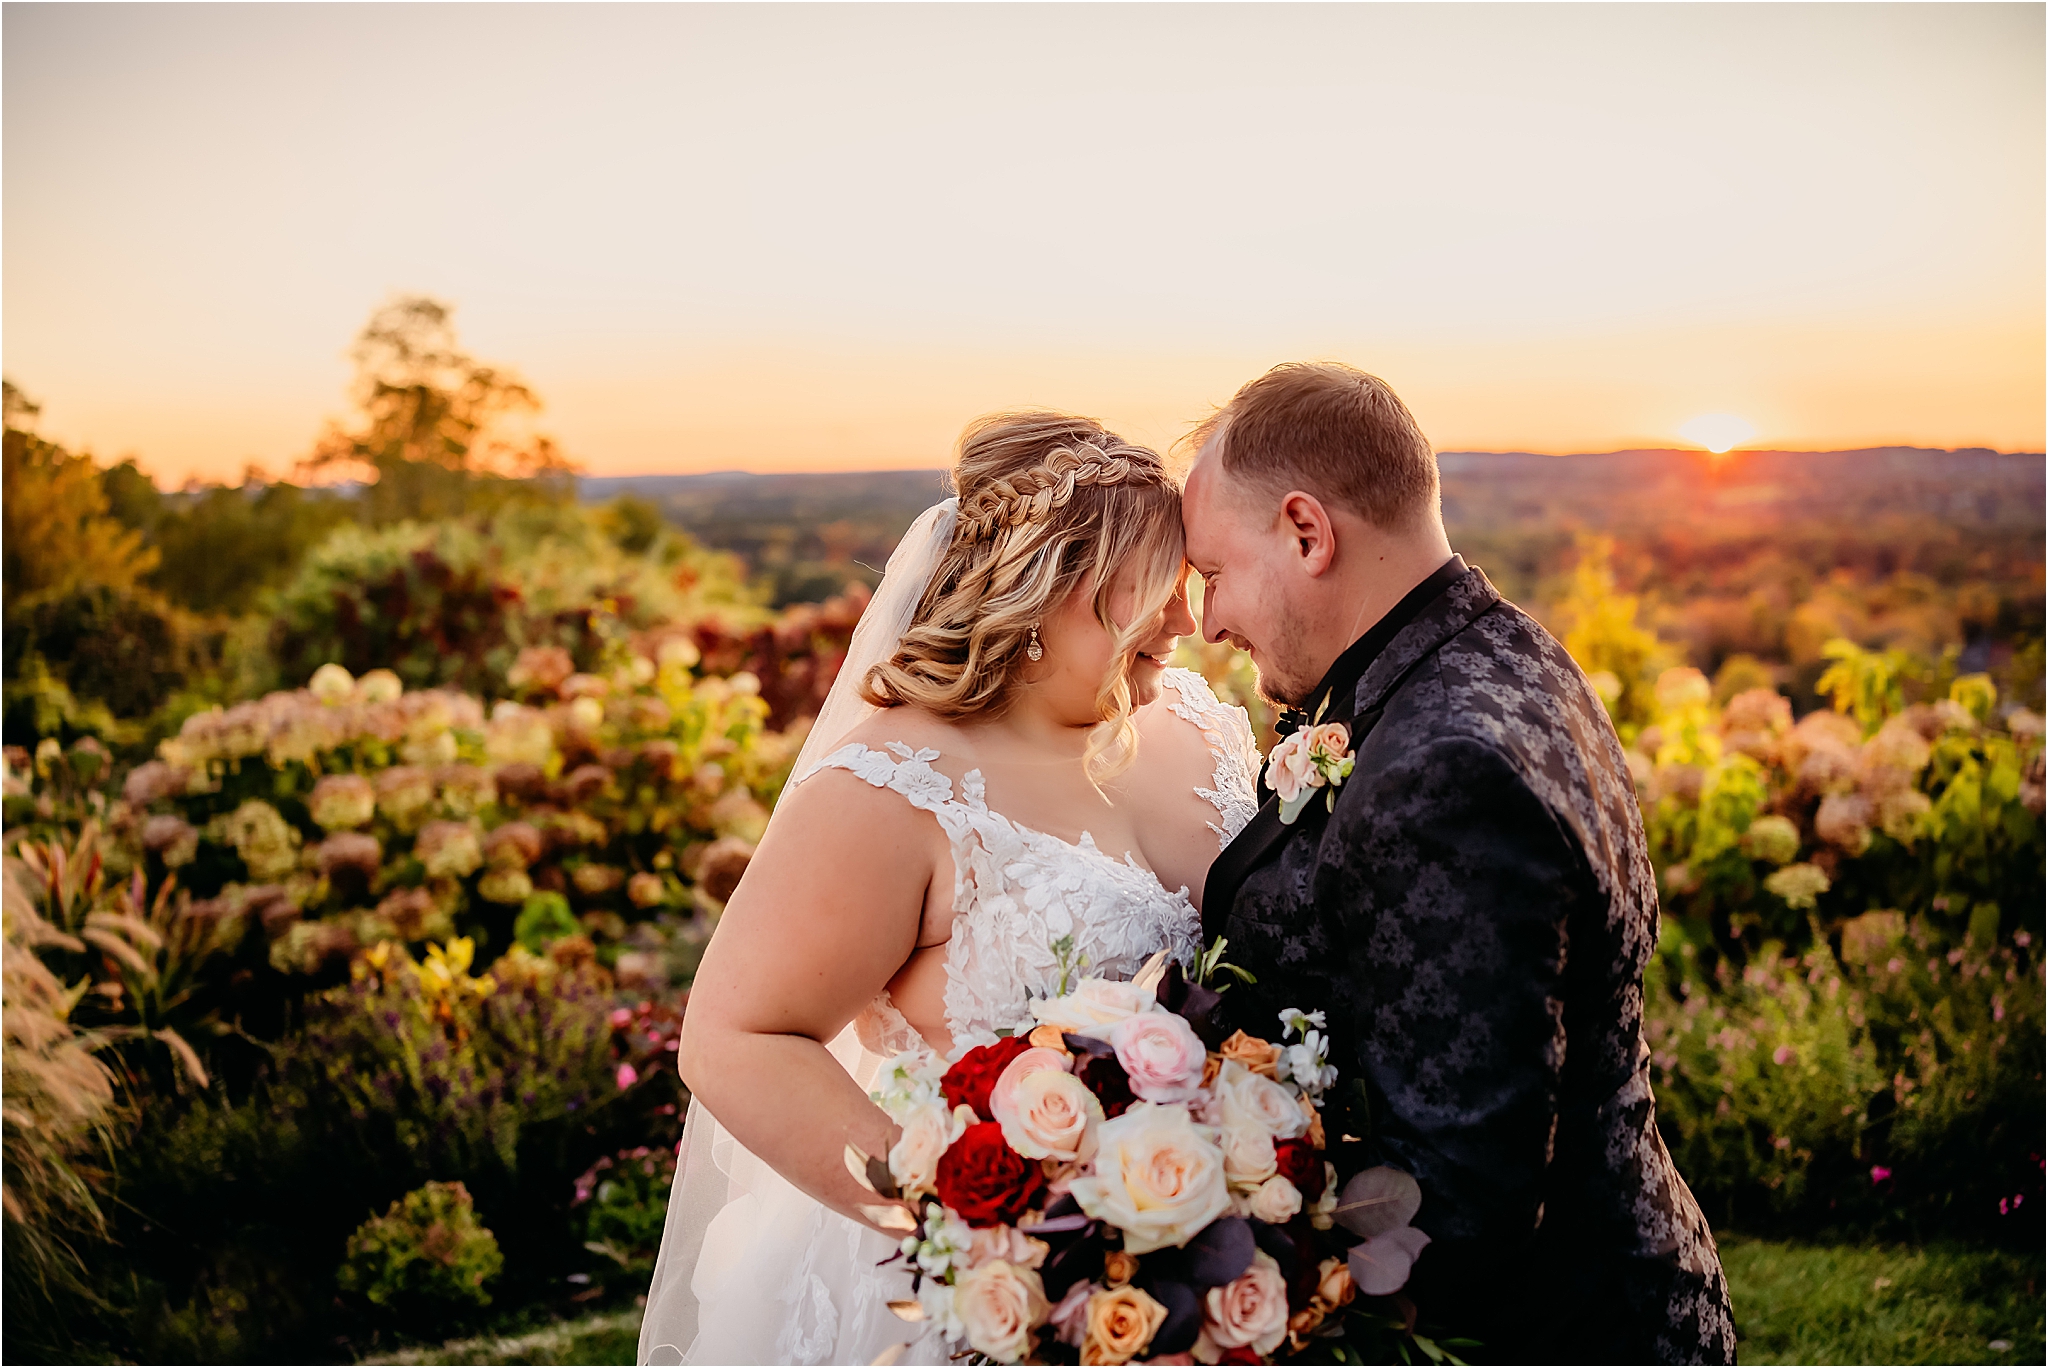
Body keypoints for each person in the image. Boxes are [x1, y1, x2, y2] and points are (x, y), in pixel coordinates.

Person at [638, 412, 1261, 1365]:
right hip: (975, 1296)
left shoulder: (1198, 724)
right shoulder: (892, 787)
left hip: (1214, 1242)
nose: (1185, 619)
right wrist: (965, 1228)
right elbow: (733, 1041)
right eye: (1153, 583)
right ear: (1049, 585)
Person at [1183, 362, 1737, 1363]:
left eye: (1212, 572)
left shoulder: (1442, 767)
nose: (1203, 621)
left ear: (1306, 533)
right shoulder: (1498, 650)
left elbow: (1459, 1203)